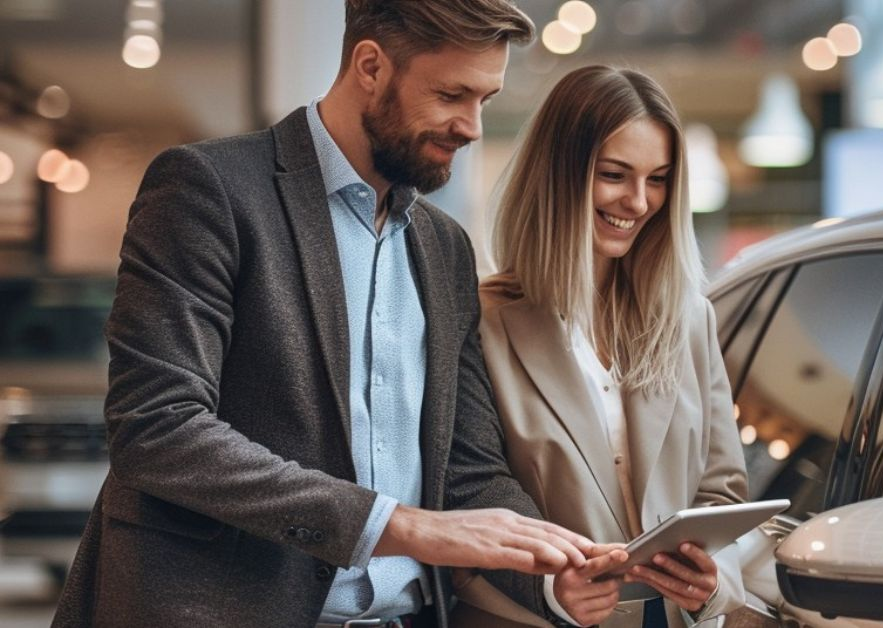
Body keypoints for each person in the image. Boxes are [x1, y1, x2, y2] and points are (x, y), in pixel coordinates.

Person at [51, 2, 610, 627]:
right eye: (452, 94)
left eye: (485, 98)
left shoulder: (444, 246)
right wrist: (399, 527)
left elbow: (467, 469)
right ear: (370, 65)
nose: (472, 126)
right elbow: (158, 428)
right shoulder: (208, 188)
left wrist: (558, 569)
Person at [452, 65, 750, 628]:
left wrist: (711, 583)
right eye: (615, 174)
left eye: (659, 179)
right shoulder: (480, 322)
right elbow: (468, 493)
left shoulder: (688, 320)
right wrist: (550, 590)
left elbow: (723, 496)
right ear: (558, 175)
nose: (639, 202)